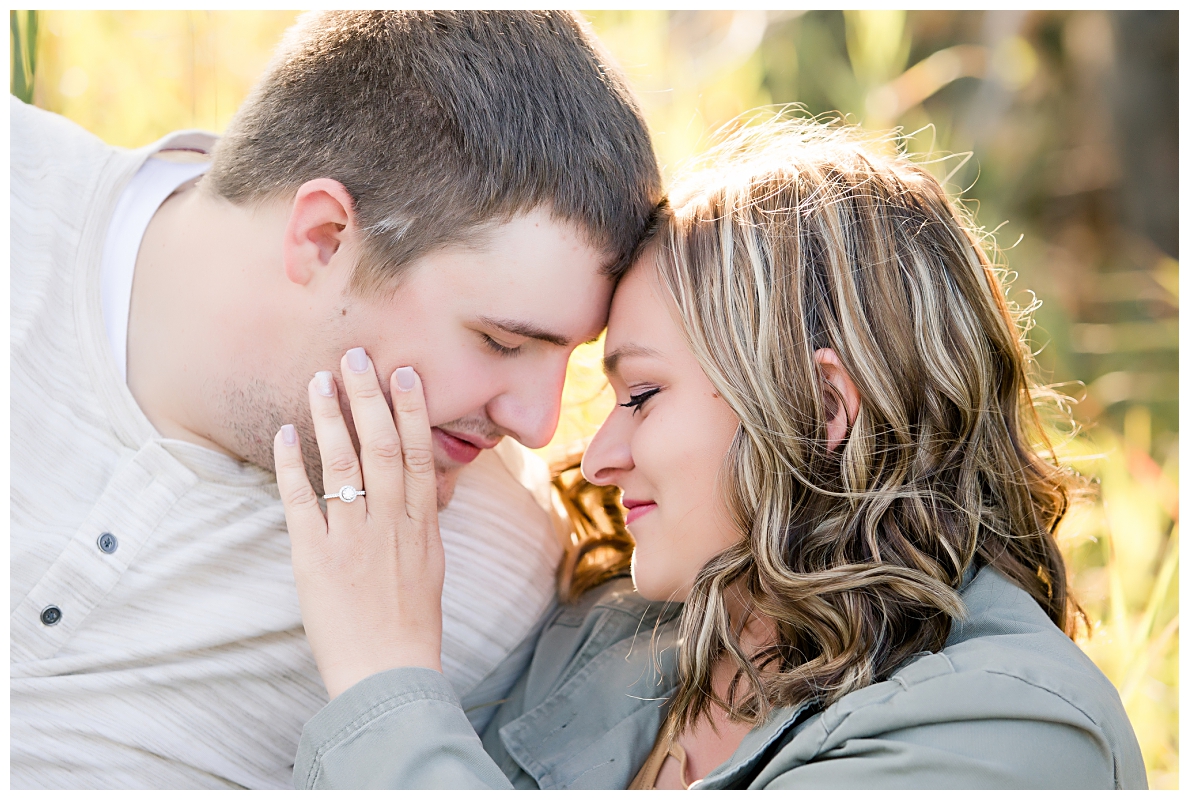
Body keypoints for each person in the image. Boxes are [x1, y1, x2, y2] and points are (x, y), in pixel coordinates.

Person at [277, 117, 1147, 789]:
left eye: (643, 396)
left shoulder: (1009, 733)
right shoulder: (623, 634)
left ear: (823, 407)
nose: (594, 455)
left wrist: (383, 675)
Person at [10, 10, 661, 789]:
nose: (540, 423)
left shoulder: (481, 577)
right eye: (500, 341)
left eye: (568, 356)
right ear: (322, 236)